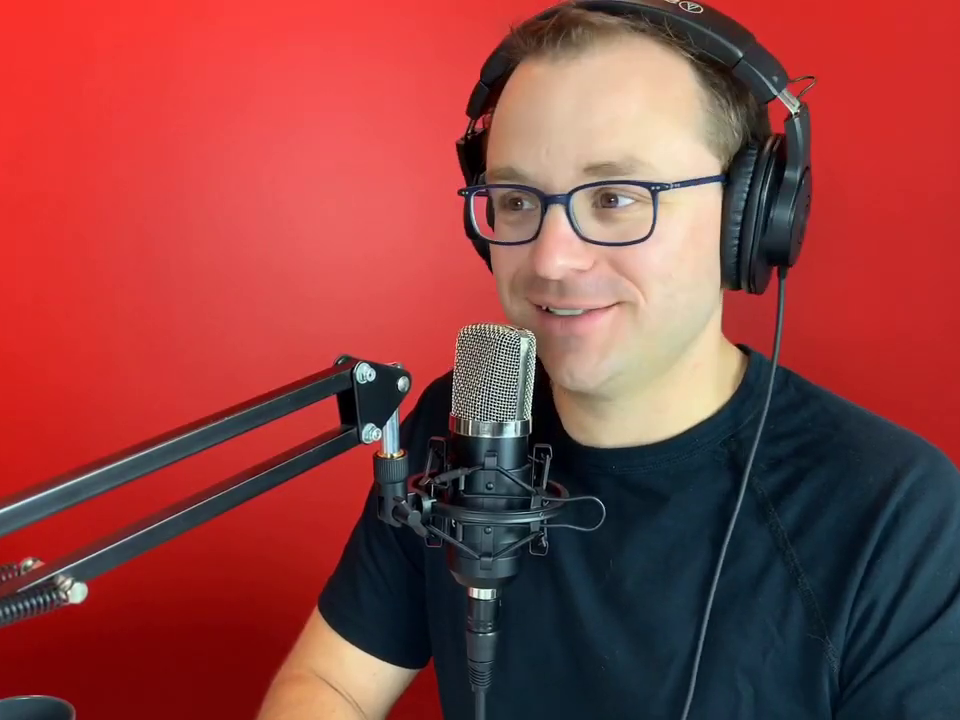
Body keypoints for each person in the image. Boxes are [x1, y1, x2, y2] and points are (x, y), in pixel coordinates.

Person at [256, 2, 960, 719]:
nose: (551, 259)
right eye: (515, 199)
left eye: (618, 197)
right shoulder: (466, 419)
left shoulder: (893, 515)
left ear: (749, 220)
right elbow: (331, 685)